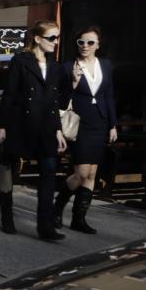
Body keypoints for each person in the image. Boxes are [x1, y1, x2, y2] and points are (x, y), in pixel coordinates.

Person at [0, 20, 68, 241]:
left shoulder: (55, 65)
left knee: (49, 172)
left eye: (58, 37)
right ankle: (6, 216)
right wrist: (2, 125)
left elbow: (55, 101)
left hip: (46, 127)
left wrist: (58, 130)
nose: (56, 42)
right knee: (9, 172)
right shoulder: (21, 60)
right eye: (51, 38)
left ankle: (45, 227)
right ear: (37, 39)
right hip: (20, 123)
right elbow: (9, 94)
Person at [54, 26, 118, 234]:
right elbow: (61, 101)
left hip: (100, 122)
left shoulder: (106, 65)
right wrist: (73, 83)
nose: (85, 46)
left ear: (98, 45)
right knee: (81, 173)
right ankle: (56, 209)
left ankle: (78, 219)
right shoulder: (67, 67)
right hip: (80, 123)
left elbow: (109, 96)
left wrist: (113, 125)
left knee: (92, 173)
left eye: (90, 42)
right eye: (81, 42)